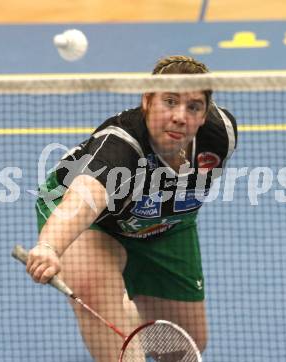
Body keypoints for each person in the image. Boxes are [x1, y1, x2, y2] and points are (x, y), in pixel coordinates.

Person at [26, 55, 237, 361]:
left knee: (181, 347)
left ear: (205, 114)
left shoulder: (221, 136)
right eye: (169, 101)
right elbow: (84, 199)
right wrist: (49, 245)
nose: (181, 116)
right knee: (90, 283)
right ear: (147, 101)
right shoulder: (121, 146)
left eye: (193, 106)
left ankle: (123, 307)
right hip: (97, 223)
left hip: (164, 226)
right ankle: (109, 300)